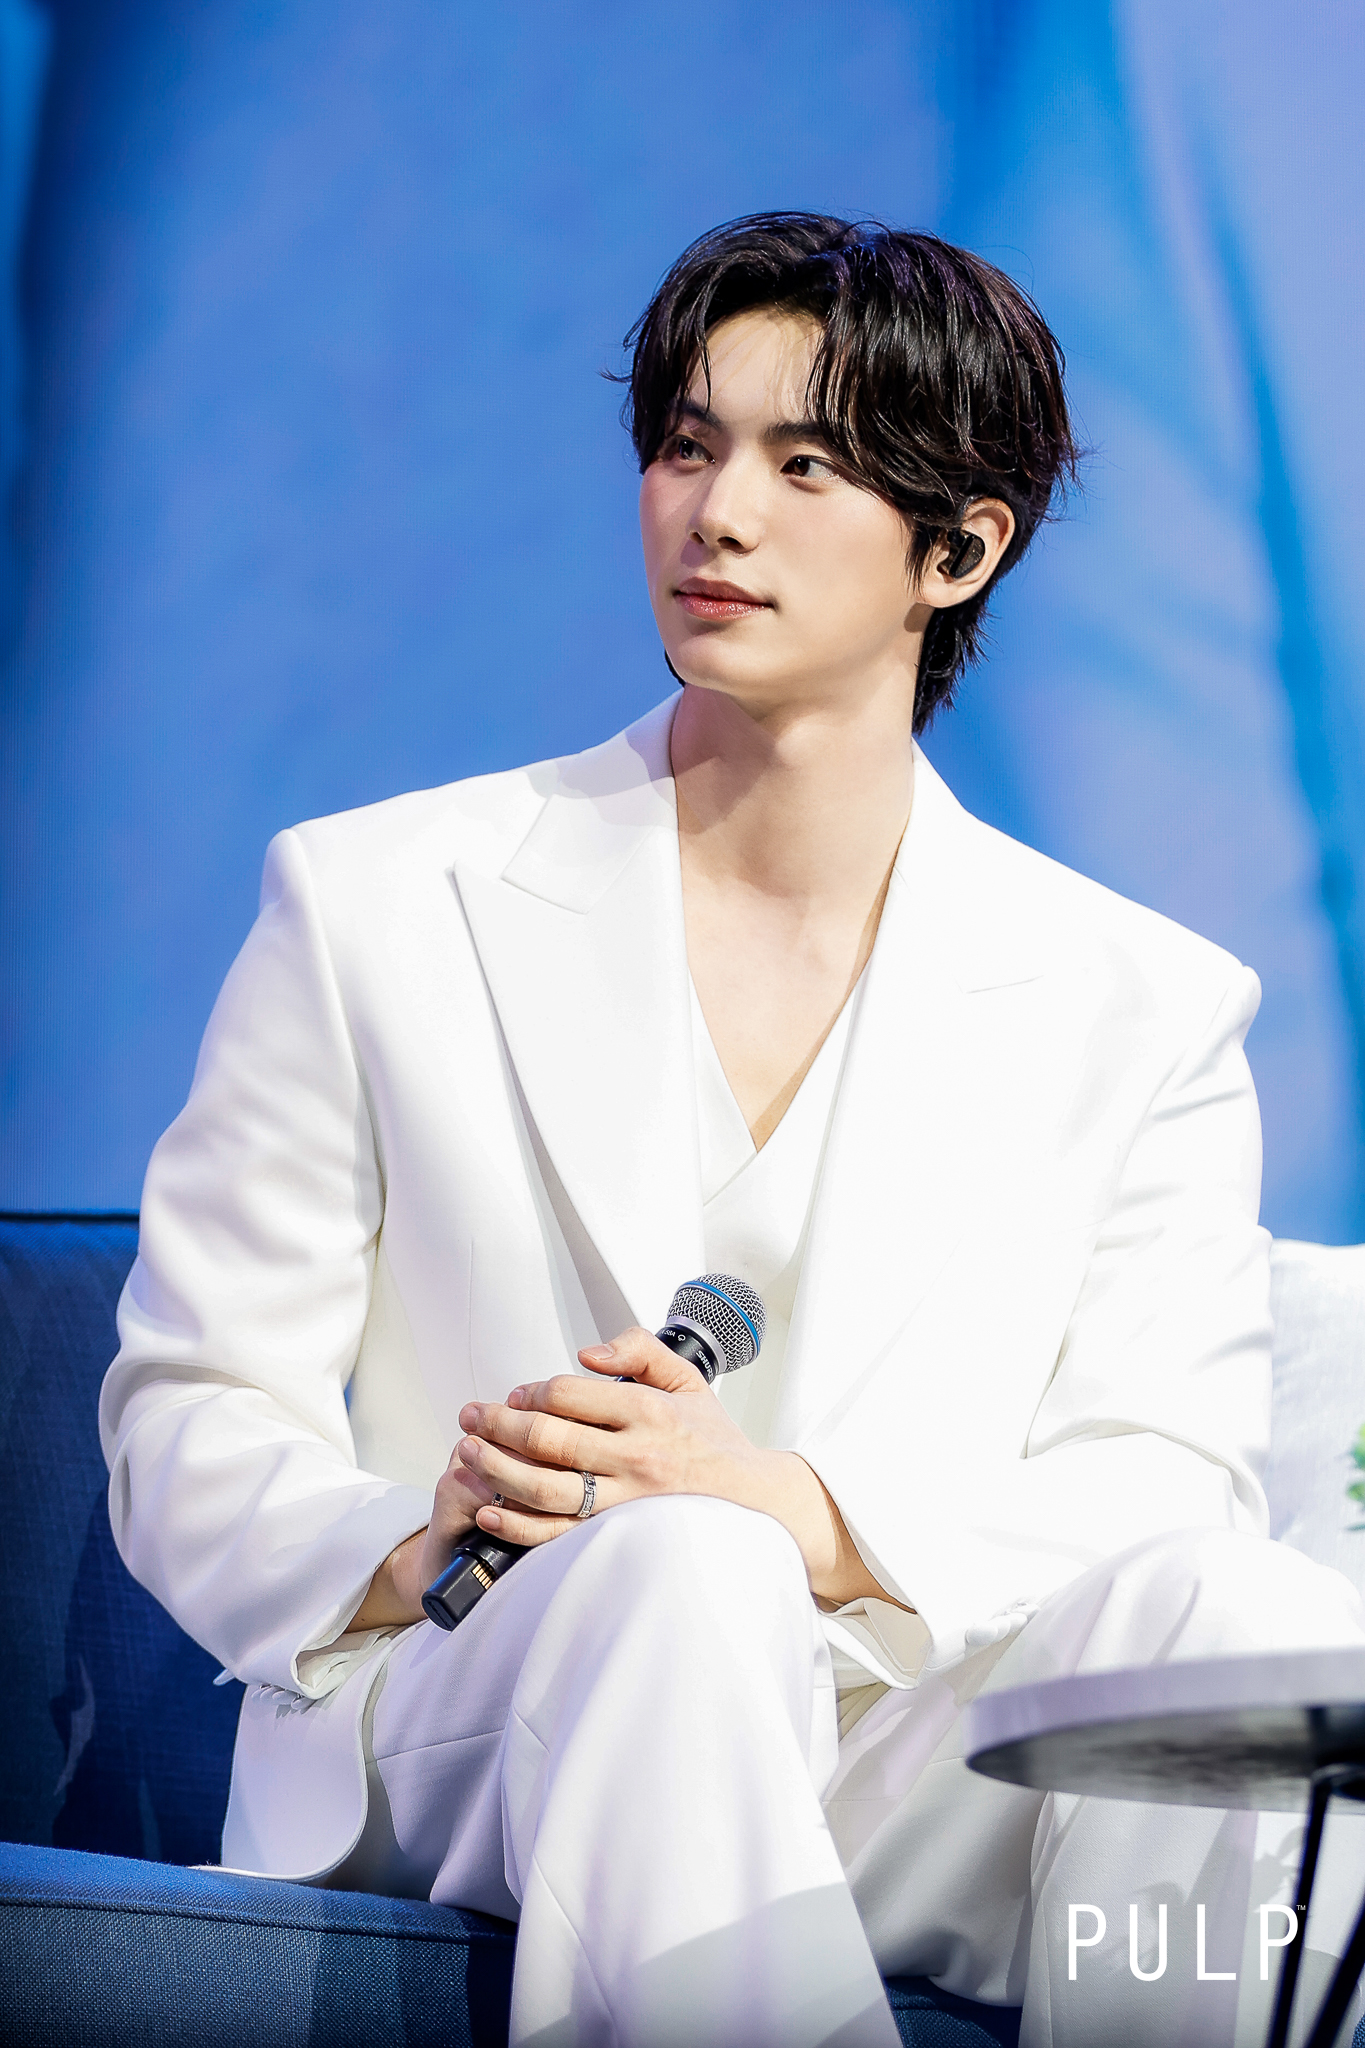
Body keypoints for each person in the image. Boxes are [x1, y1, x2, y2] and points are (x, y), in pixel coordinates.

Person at [100, 213, 1364, 2047]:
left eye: (804, 464)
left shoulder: (1141, 1003)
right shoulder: (381, 900)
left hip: (882, 1740)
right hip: (480, 1709)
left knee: (1237, 1619)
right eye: (688, 447)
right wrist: (414, 1533)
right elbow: (188, 1413)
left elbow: (1159, 1481)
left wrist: (805, 1517)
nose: (716, 514)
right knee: (680, 1571)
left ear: (959, 549)